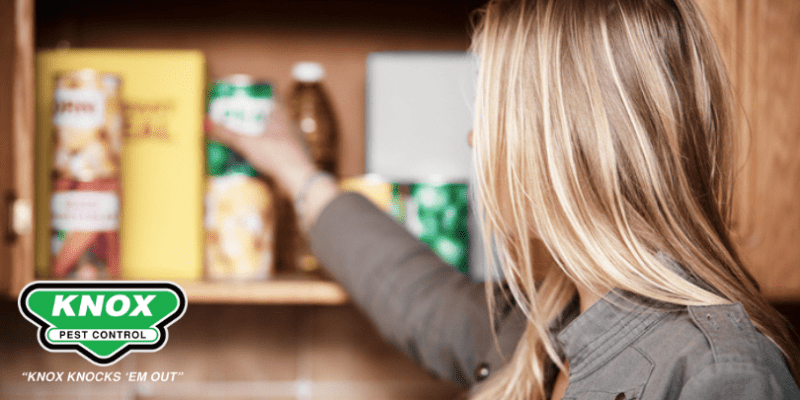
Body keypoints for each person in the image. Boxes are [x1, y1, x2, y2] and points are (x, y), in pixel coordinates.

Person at [206, 0, 800, 398]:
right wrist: (294, 170)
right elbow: (414, 295)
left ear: (565, 139)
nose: (474, 138)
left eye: (492, 113)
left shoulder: (719, 373)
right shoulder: (542, 324)